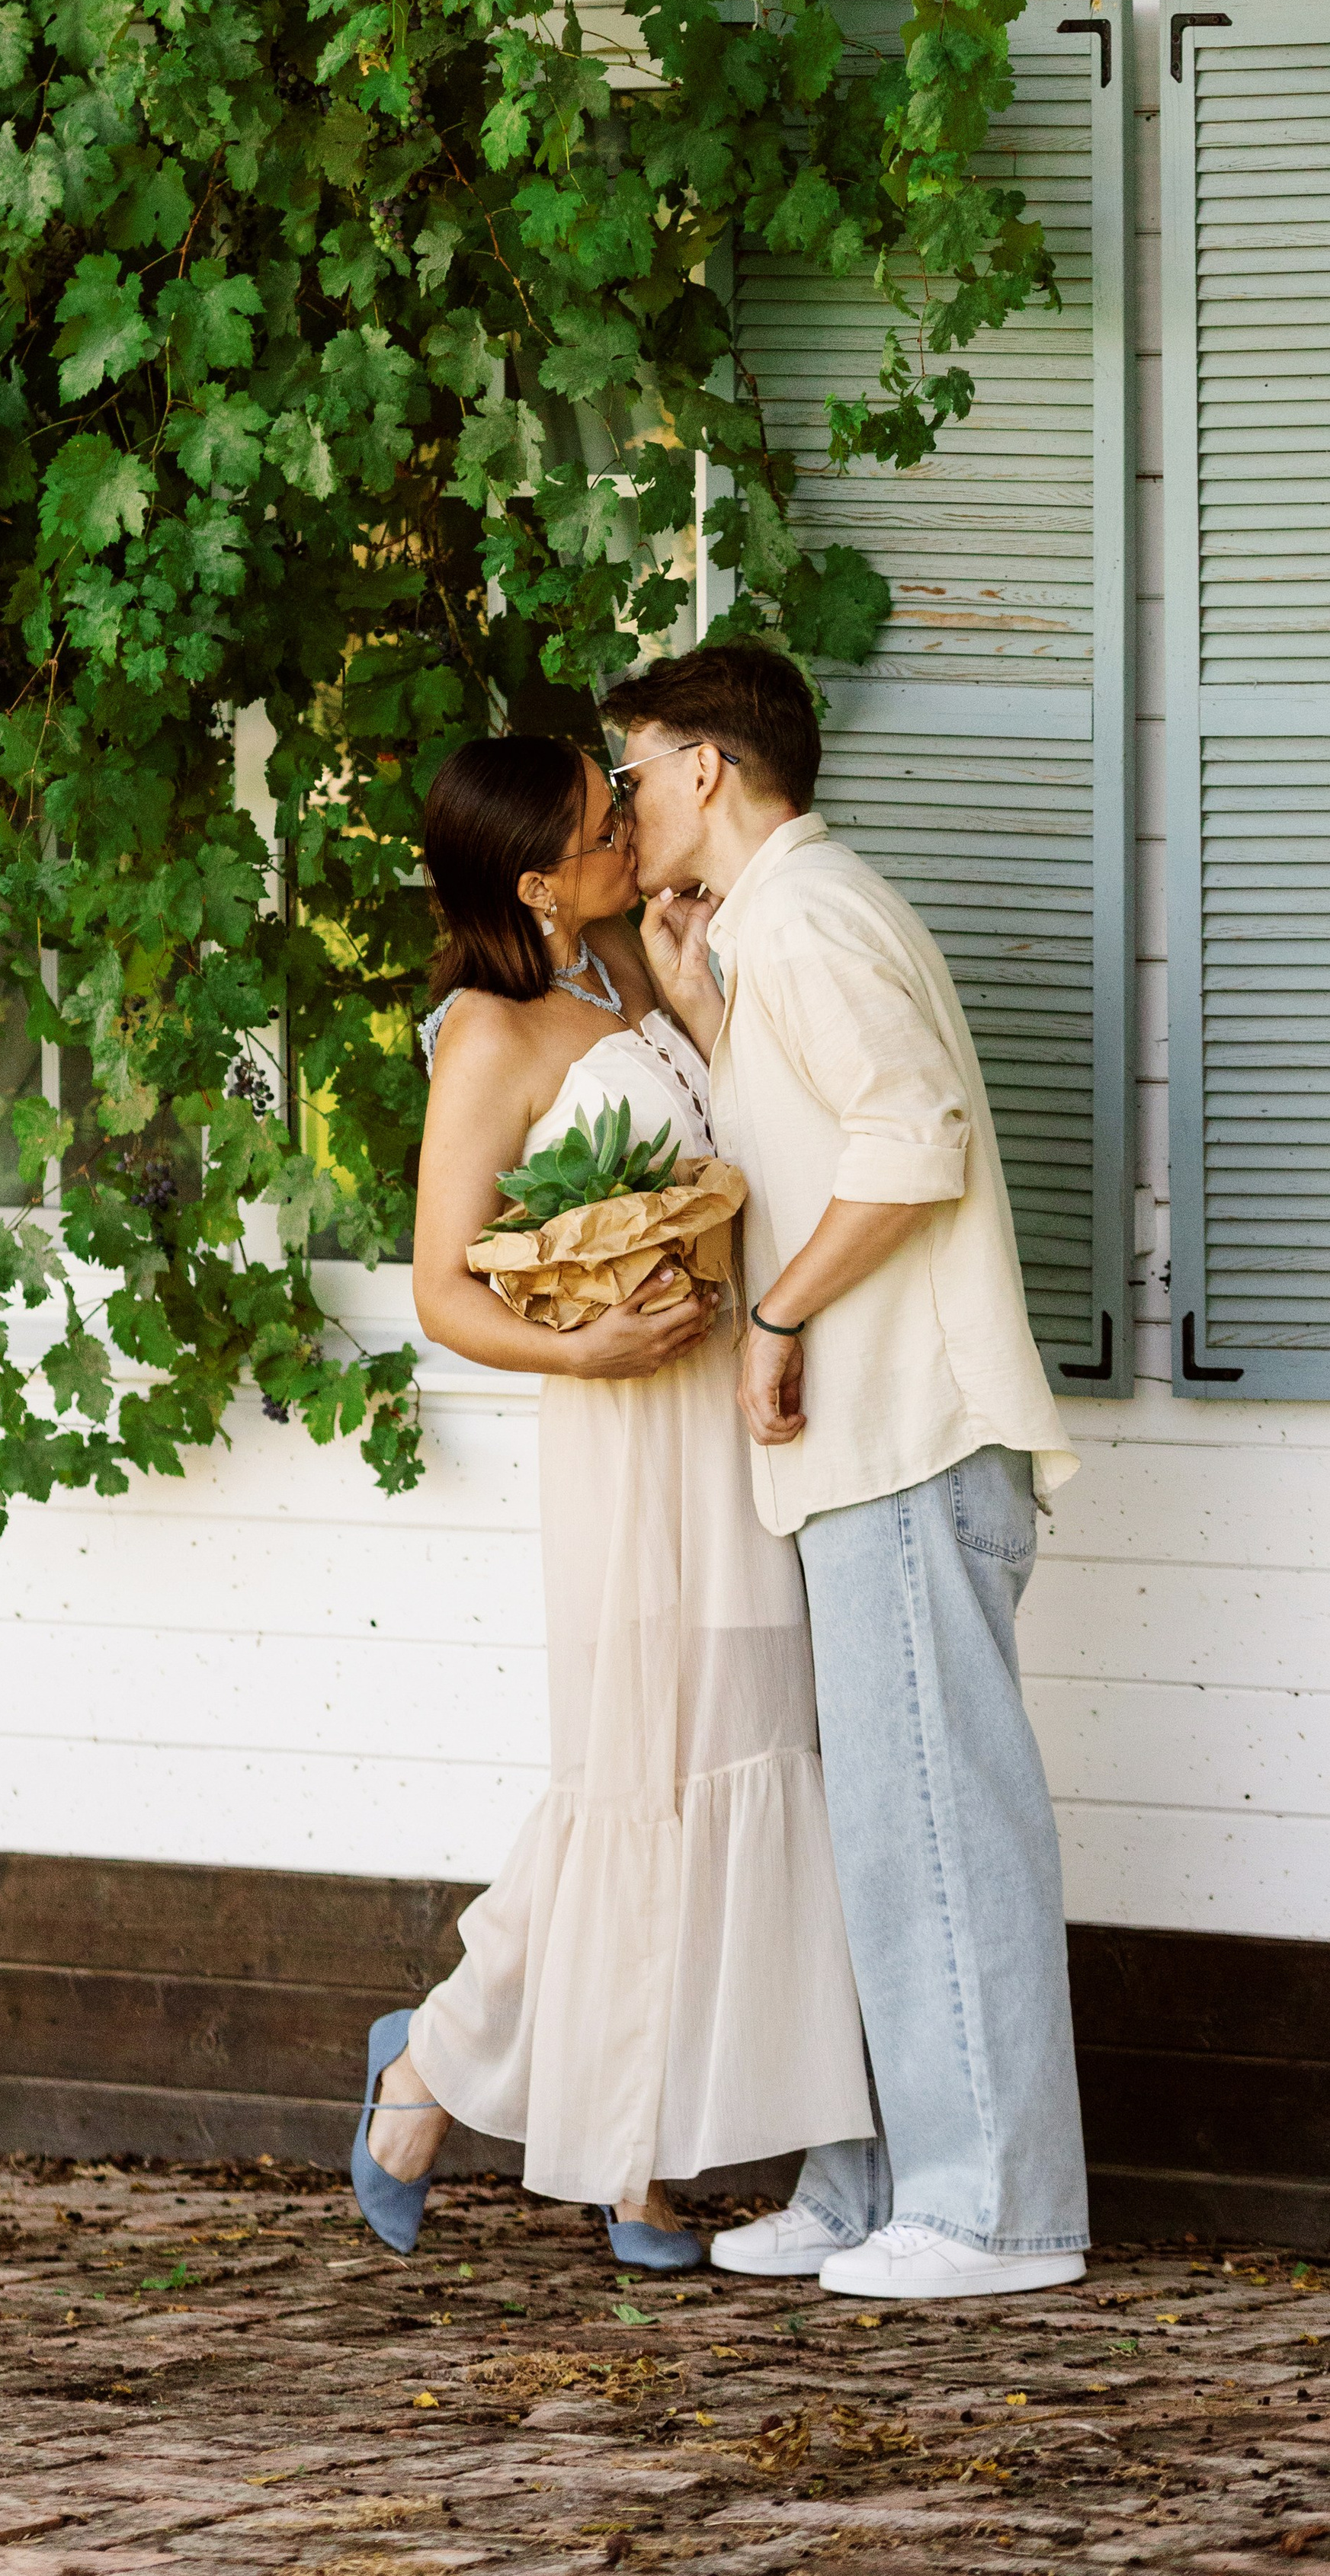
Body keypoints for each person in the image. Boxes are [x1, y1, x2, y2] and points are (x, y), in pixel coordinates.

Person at [608, 638, 1090, 2302]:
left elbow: (912, 1140)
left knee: (939, 1828)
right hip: (868, 1453)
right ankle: (867, 2173)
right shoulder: (778, 933)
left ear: (705, 773)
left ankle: (993, 2211)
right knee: (873, 1832)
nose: (621, 804)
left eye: (633, 770)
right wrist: (695, 1009)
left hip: (904, 1436)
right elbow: (823, 1118)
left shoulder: (809, 916)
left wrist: (775, 1317)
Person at [351, 734, 873, 2270]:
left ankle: (433, 2059)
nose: (630, 830)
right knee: (631, 1784)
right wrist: (584, 1340)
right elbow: (442, 1292)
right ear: (534, 881)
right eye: (599, 825)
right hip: (618, 1442)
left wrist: (694, 989)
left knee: (729, 1760)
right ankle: (617, 2161)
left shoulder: (628, 979)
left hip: (718, 1422)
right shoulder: (488, 1040)